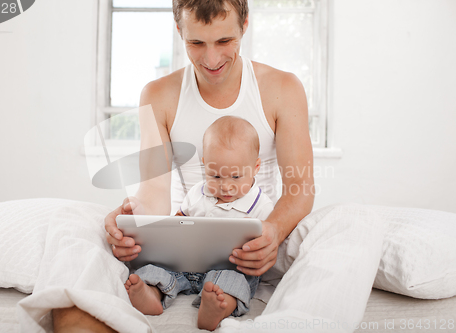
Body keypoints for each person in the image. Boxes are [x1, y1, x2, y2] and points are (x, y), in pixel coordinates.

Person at [52, 0, 314, 331]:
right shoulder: (158, 94)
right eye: (196, 43)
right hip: (186, 239)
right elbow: (154, 192)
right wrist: (131, 218)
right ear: (179, 30)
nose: (212, 59)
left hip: (261, 240)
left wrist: (273, 232)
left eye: (224, 41)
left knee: (351, 222)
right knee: (71, 223)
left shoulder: (283, 88)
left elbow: (300, 190)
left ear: (244, 24)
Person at [125, 116, 274, 331]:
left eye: (235, 177)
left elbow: (268, 243)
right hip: (186, 267)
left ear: (256, 167)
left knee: (235, 282)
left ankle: (217, 307)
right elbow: (179, 218)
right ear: (205, 164)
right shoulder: (197, 193)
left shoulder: (261, 205)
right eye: (215, 176)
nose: (226, 187)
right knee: (155, 268)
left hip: (229, 269)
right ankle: (150, 294)